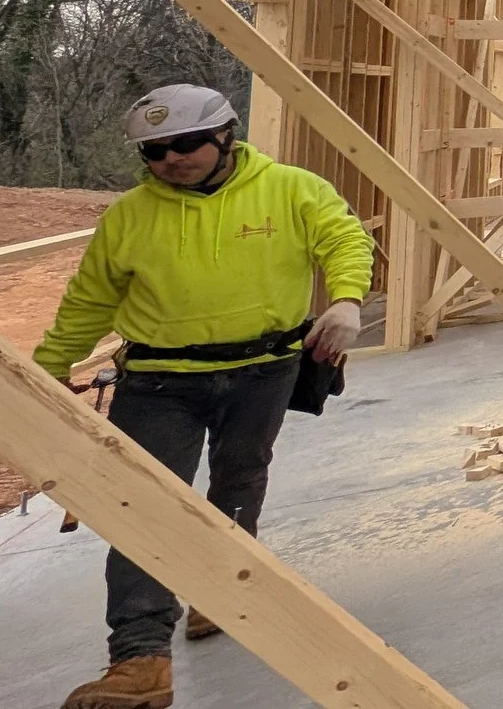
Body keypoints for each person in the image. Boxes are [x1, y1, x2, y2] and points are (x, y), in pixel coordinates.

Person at [35, 85, 373, 709]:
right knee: (142, 508)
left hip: (264, 370)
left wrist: (348, 297)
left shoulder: (292, 189)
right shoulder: (131, 215)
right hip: (161, 379)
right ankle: (139, 661)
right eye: (155, 151)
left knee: (240, 477)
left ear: (226, 136)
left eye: (186, 144)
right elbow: (90, 298)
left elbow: (344, 241)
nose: (171, 159)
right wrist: (48, 369)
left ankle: (222, 592)